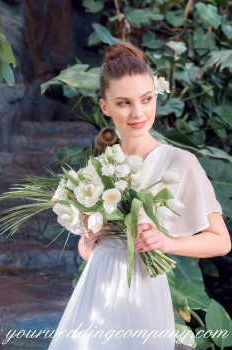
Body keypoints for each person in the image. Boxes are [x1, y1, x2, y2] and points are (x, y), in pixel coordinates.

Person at [48, 42, 231, 350]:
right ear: (105, 106)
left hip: (144, 295)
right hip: (95, 294)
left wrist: (167, 242)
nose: (139, 113)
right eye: (124, 103)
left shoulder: (179, 163)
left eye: (146, 99)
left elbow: (221, 241)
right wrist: (90, 239)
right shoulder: (100, 166)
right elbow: (88, 249)